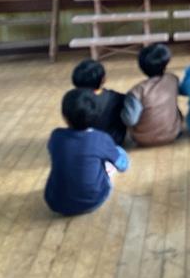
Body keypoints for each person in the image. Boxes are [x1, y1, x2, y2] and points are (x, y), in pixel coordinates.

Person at [44, 88, 130, 216]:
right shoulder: (100, 138)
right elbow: (123, 166)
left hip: (55, 202)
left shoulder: (56, 136)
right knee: (115, 152)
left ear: (64, 117)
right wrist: (117, 151)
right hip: (93, 201)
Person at [122, 43, 182, 147]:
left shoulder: (137, 91)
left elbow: (130, 120)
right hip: (173, 134)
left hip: (143, 139)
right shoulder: (173, 79)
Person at [71, 59, 127, 146]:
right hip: (113, 140)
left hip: (83, 141)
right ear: (103, 79)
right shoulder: (115, 97)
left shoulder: (71, 99)